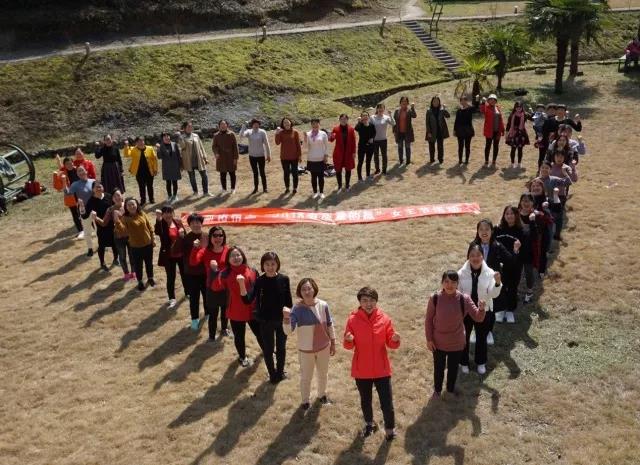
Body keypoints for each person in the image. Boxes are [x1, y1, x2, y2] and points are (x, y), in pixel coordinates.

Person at [343, 286, 400, 440]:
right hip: (362, 369)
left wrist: (394, 339)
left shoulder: (384, 319)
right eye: (365, 300)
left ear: (376, 301)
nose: (368, 304)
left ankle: (390, 429)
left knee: (387, 402)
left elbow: (391, 343)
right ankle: (369, 424)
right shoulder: (352, 320)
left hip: (382, 369)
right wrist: (348, 340)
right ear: (360, 302)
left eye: (372, 300)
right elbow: (348, 345)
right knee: (365, 400)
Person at [425, 271, 486, 397]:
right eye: (446, 281)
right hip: (438, 343)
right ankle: (437, 390)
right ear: (442, 283)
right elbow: (428, 320)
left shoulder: (464, 299)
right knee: (439, 368)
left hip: (456, 343)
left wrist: (481, 309)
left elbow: (478, 318)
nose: (450, 285)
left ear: (458, 284)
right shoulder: (434, 298)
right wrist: (429, 339)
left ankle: (450, 390)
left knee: (453, 369)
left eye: (453, 282)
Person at [239, 252, 293, 384]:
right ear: (263, 266)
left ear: (277, 264)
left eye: (273, 264)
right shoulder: (259, 281)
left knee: (281, 348)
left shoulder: (284, 279)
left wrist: (288, 314)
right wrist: (241, 284)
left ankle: (280, 372)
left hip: (281, 321)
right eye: (267, 264)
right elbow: (247, 300)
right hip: (265, 321)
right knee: (268, 350)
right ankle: (272, 375)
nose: (270, 267)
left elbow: (289, 302)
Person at [283, 278, 336, 410]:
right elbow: (288, 331)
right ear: (300, 292)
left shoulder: (323, 305)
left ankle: (322, 395)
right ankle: (305, 401)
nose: (307, 292)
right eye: (303, 289)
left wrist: (333, 342)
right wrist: (286, 318)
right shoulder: (297, 309)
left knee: (323, 374)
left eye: (309, 288)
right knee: (306, 377)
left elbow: (330, 324)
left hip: (324, 347)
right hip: (306, 350)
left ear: (314, 289)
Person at [211, 246, 264, 366]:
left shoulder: (252, 271)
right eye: (232, 256)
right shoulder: (225, 274)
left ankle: (267, 351)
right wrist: (215, 272)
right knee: (239, 337)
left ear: (243, 256)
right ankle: (242, 357)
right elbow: (215, 287)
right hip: (236, 312)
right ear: (228, 259)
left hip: (252, 310)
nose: (236, 258)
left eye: (238, 255)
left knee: (260, 333)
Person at [458, 244, 502, 375]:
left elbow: (493, 294)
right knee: (464, 337)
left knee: (481, 336)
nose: (475, 258)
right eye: (472, 255)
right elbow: (458, 293)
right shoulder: (461, 274)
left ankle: (481, 362)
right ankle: (463, 362)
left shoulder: (490, 273)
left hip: (484, 310)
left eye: (478, 255)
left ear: (483, 256)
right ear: (468, 257)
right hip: (466, 311)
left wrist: (498, 283)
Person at [469, 219, 516, 341]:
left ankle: (489, 331)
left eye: (487, 229)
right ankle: (476, 331)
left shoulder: (497, 246)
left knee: (490, 309)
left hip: (490, 283)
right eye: (481, 229)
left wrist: (515, 250)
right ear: (477, 231)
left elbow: (510, 260)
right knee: (476, 306)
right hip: (477, 283)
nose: (484, 232)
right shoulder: (473, 245)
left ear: (492, 231)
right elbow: (469, 263)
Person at [190, 226, 231, 340]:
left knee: (225, 311)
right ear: (210, 238)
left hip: (226, 288)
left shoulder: (228, 250)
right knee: (213, 314)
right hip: (212, 288)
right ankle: (212, 336)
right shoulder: (205, 251)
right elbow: (193, 262)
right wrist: (195, 248)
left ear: (224, 237)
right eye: (215, 235)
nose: (218, 238)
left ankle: (224, 329)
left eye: (220, 235)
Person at [493, 206, 529, 323]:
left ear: (517, 215)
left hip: (515, 265)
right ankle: (500, 309)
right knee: (500, 286)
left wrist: (517, 250)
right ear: (504, 215)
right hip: (500, 264)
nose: (509, 216)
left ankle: (510, 310)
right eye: (507, 214)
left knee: (513, 287)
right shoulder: (497, 229)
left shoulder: (522, 231)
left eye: (512, 213)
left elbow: (525, 251)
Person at [114, 197, 155, 291]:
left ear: (137, 205)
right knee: (138, 265)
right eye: (129, 205)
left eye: (133, 204)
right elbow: (123, 231)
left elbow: (150, 227)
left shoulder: (142, 213)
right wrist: (117, 221)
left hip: (148, 244)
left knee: (149, 263)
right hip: (135, 247)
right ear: (126, 207)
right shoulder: (125, 218)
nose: (131, 206)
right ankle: (140, 281)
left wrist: (153, 240)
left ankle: (150, 278)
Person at [518, 193, 552, 302]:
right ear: (520, 202)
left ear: (533, 203)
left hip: (530, 249)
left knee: (528, 271)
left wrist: (541, 213)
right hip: (517, 248)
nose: (526, 203)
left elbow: (549, 220)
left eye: (528, 200)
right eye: (524, 200)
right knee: (516, 270)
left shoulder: (536, 214)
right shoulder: (516, 214)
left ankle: (529, 291)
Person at [155, 206, 186, 309]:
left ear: (173, 213)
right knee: (171, 277)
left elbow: (185, 236)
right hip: (169, 256)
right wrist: (158, 219)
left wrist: (182, 235)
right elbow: (157, 231)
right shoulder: (161, 224)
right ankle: (172, 298)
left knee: (185, 274)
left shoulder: (177, 221)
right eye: (166, 212)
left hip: (181, 254)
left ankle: (187, 292)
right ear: (162, 214)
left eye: (170, 212)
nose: (168, 215)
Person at [181, 213, 209, 330]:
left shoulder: (207, 236)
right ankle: (194, 319)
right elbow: (179, 253)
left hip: (206, 273)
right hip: (191, 274)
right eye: (193, 223)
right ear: (189, 225)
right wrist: (180, 239)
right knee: (194, 297)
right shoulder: (186, 238)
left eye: (198, 222)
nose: (196, 225)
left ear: (201, 224)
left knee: (207, 295)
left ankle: (208, 313)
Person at [102, 188, 134, 281]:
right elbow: (104, 223)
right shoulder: (110, 209)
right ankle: (126, 274)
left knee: (132, 255)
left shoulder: (128, 205)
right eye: (114, 196)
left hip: (130, 235)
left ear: (122, 196)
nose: (117, 197)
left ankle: (133, 272)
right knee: (122, 256)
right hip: (119, 237)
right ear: (112, 199)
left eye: (118, 195)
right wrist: (95, 218)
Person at [64, 165, 96, 256]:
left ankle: (101, 245)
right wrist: (63, 182)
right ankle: (90, 248)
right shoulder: (75, 184)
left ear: (86, 171)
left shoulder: (93, 181)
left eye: (82, 170)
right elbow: (67, 193)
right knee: (87, 230)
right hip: (84, 210)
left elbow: (99, 193)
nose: (81, 172)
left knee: (98, 229)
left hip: (95, 209)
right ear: (77, 174)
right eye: (79, 171)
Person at [86, 182, 117, 271]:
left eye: (100, 186)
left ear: (103, 187)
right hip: (100, 226)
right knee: (102, 245)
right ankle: (102, 263)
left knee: (115, 242)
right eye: (96, 187)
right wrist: (82, 209)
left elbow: (115, 206)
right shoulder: (91, 201)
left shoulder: (108, 196)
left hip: (112, 224)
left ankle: (116, 259)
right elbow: (85, 215)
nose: (99, 189)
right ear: (93, 189)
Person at [177, 121, 209, 197]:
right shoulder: (181, 137)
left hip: (199, 159)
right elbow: (183, 147)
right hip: (189, 160)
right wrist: (180, 137)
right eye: (188, 126)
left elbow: (201, 146)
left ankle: (206, 192)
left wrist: (205, 157)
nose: (190, 128)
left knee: (204, 175)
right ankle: (195, 192)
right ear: (184, 128)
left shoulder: (196, 135)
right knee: (192, 177)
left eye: (191, 126)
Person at [123, 136, 158, 205]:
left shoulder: (150, 148)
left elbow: (154, 159)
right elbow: (126, 155)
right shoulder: (133, 149)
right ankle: (143, 200)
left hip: (149, 171)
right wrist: (126, 146)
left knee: (150, 186)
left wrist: (155, 169)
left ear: (144, 141)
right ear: (136, 143)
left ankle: (151, 199)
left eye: (142, 141)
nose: (141, 143)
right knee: (141, 187)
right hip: (139, 172)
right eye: (139, 141)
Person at [240, 118, 271, 194]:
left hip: (261, 155)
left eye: (257, 124)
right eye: (254, 124)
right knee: (255, 173)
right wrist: (243, 126)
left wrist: (268, 154)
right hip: (252, 156)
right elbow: (241, 136)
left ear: (259, 124)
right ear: (252, 125)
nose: (256, 125)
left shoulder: (262, 132)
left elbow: (266, 144)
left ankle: (265, 188)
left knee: (262, 172)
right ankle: (256, 188)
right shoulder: (249, 132)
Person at [328, 114, 356, 192]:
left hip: (348, 153)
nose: (343, 120)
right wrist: (330, 136)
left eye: (345, 119)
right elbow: (331, 140)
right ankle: (339, 186)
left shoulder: (351, 129)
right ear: (339, 120)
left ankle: (347, 185)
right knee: (338, 170)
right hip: (338, 153)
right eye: (342, 119)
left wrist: (354, 152)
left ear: (347, 120)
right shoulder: (335, 129)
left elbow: (353, 142)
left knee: (348, 169)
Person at [56, 156, 83, 237]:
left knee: (83, 211)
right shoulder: (63, 173)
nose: (69, 165)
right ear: (64, 165)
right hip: (70, 195)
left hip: (80, 193)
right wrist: (58, 160)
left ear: (73, 163)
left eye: (70, 163)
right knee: (75, 213)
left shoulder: (78, 170)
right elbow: (59, 186)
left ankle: (90, 226)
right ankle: (80, 230)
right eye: (67, 164)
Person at [275, 117, 302, 194]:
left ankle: (295, 188)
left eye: (287, 122)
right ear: (283, 124)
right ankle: (287, 188)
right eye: (284, 122)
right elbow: (277, 143)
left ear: (290, 123)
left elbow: (298, 145)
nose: (286, 123)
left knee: (295, 173)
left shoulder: (295, 132)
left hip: (294, 157)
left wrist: (300, 155)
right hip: (284, 157)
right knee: (286, 173)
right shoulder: (281, 133)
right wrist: (277, 133)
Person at [304, 118, 329, 199]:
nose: (315, 125)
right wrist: (305, 138)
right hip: (311, 158)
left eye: (316, 123)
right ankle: (315, 192)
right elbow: (306, 147)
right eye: (313, 124)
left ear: (319, 124)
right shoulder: (308, 134)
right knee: (313, 177)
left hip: (321, 158)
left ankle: (321, 192)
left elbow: (326, 146)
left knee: (321, 177)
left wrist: (326, 155)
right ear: (311, 125)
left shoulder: (323, 134)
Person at [212, 120, 239, 194]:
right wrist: (216, 153)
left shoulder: (231, 134)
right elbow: (214, 146)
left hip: (231, 157)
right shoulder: (216, 135)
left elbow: (235, 147)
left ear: (227, 125)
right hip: (221, 158)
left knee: (232, 173)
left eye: (224, 124)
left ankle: (233, 188)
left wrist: (235, 158)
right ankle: (224, 189)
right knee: (222, 174)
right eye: (221, 124)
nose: (223, 126)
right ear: (219, 126)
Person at [478, 94, 505, 167]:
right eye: (491, 100)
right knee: (488, 146)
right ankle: (486, 161)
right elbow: (482, 110)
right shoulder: (486, 107)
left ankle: (494, 161)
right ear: (488, 101)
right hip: (489, 131)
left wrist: (503, 129)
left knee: (496, 146)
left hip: (497, 131)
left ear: (496, 101)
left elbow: (501, 120)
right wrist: (483, 103)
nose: (492, 101)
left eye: (494, 100)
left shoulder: (497, 108)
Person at [156, 131, 182, 203]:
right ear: (162, 138)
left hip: (175, 166)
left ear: (169, 137)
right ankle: (169, 196)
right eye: (164, 136)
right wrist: (158, 149)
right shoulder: (161, 146)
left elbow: (178, 155)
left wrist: (180, 165)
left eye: (168, 136)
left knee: (175, 182)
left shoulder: (174, 144)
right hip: (166, 167)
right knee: (168, 182)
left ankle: (175, 196)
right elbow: (159, 157)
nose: (166, 137)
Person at [505, 101, 531, 169]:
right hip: (513, 133)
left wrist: (532, 112)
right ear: (515, 107)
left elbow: (533, 118)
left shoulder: (525, 114)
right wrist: (506, 134)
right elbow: (508, 125)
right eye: (517, 107)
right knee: (513, 149)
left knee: (520, 149)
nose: (518, 108)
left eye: (520, 107)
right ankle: (512, 163)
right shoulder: (512, 115)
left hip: (521, 133)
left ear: (522, 107)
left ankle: (519, 163)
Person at [425, 96, 450, 164]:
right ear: (432, 102)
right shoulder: (429, 111)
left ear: (439, 102)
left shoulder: (442, 110)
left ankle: (440, 159)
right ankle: (432, 159)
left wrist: (444, 109)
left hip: (440, 130)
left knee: (440, 146)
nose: (436, 102)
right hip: (431, 131)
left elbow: (448, 116)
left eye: (437, 101)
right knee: (431, 146)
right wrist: (428, 132)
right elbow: (427, 122)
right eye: (434, 101)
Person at [370, 104, 395, 175]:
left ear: (384, 109)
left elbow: (393, 123)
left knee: (384, 156)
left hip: (383, 140)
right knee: (376, 156)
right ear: (377, 109)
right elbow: (369, 128)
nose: (381, 109)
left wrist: (390, 115)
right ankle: (377, 169)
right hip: (375, 140)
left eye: (382, 108)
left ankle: (384, 170)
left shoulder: (386, 117)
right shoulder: (372, 117)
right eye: (379, 108)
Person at [392, 96, 417, 166]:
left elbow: (414, 116)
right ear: (400, 103)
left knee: (407, 147)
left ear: (407, 103)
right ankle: (401, 161)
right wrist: (394, 131)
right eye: (403, 101)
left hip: (407, 132)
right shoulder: (397, 111)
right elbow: (394, 122)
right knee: (400, 147)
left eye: (405, 101)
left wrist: (412, 108)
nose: (404, 102)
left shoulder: (409, 111)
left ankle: (408, 161)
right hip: (399, 132)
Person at [354, 111, 377, 181]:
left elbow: (374, 133)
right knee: (360, 162)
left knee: (368, 161)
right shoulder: (360, 125)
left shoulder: (371, 125)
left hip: (370, 146)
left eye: (366, 115)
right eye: (363, 115)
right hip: (362, 146)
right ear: (361, 117)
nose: (365, 117)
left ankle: (368, 175)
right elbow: (356, 128)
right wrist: (359, 122)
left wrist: (372, 138)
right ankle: (359, 177)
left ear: (368, 117)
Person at [453, 95, 475, 166]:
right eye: (461, 100)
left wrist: (470, 104)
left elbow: (475, 108)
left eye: (464, 100)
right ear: (460, 102)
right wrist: (454, 130)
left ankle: (466, 160)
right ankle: (460, 160)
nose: (463, 102)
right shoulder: (459, 111)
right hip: (460, 131)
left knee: (467, 146)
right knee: (460, 146)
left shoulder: (470, 109)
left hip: (468, 130)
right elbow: (456, 121)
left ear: (467, 101)